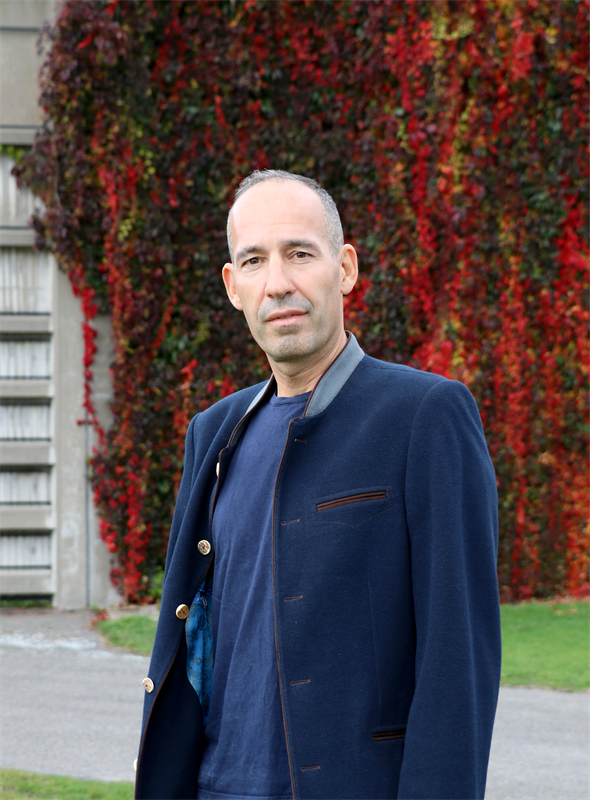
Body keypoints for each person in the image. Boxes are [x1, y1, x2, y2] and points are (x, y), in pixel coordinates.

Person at [134, 170, 501, 800]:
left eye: (300, 253)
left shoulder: (424, 416)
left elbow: (457, 662)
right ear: (233, 286)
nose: (278, 282)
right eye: (254, 261)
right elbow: (192, 639)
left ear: (345, 268)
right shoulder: (212, 433)